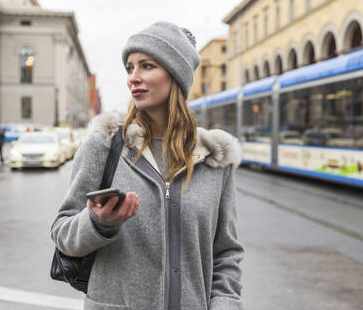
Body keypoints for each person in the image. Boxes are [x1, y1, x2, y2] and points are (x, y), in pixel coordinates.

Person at [51, 22, 244, 310]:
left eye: (147, 66)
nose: (133, 78)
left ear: (175, 74)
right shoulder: (105, 145)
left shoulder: (214, 159)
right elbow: (62, 234)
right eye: (130, 68)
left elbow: (226, 253)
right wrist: (98, 223)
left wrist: (225, 304)